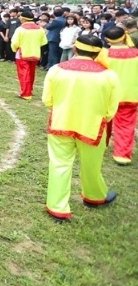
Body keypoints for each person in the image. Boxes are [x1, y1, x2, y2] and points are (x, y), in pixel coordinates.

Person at [42, 34, 120, 222]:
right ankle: (94, 196)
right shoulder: (109, 75)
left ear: (75, 49)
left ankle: (57, 207)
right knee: (92, 165)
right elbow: (111, 110)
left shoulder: (56, 70)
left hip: (61, 123)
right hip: (92, 127)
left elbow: (47, 100)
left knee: (59, 164)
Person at [100, 26, 138, 165]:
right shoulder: (136, 53)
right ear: (124, 36)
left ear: (106, 39)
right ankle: (122, 155)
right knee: (126, 125)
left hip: (108, 94)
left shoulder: (103, 54)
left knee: (104, 120)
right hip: (130, 95)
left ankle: (102, 143)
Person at [10, 9, 47, 100]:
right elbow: (44, 42)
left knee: (24, 73)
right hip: (35, 53)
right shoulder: (40, 29)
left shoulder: (20, 29)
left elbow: (14, 43)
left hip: (23, 53)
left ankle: (26, 93)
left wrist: (15, 49)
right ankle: (30, 90)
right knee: (31, 73)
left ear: (23, 19)